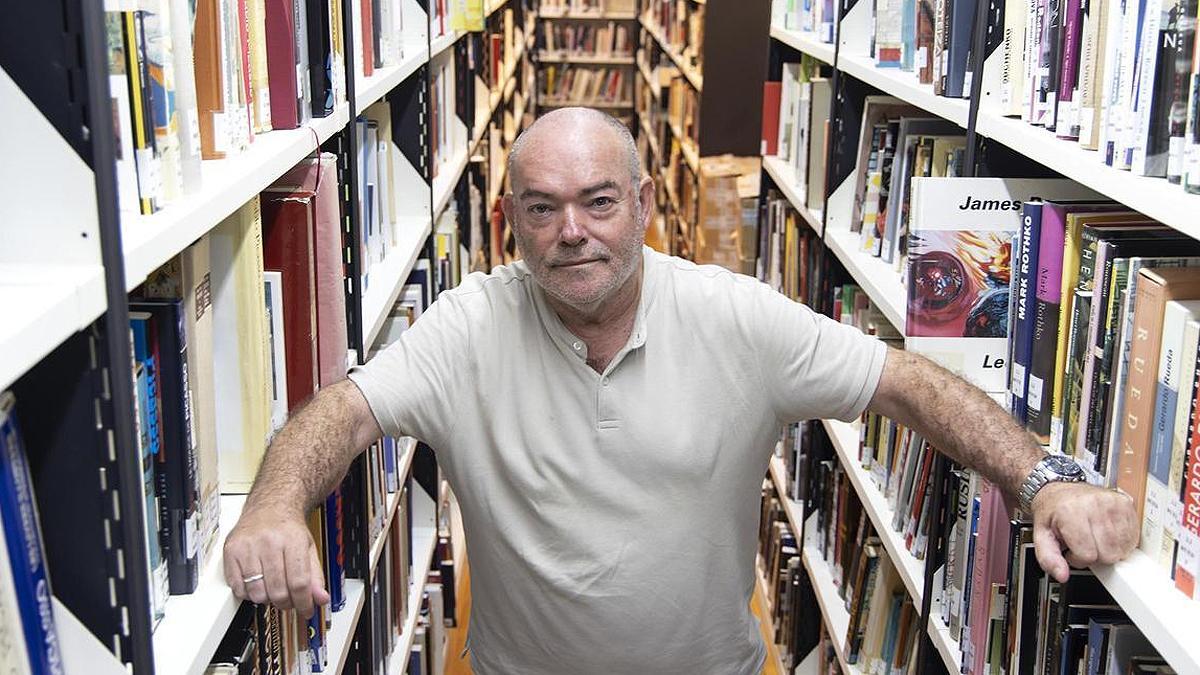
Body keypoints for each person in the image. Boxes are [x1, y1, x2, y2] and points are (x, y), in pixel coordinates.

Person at [223, 107, 1138, 674]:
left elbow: (902, 383)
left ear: (647, 203)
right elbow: (342, 411)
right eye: (541, 208)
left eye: (599, 200)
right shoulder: (468, 326)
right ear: (511, 221)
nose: (571, 231)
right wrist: (272, 503)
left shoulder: (735, 318)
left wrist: (1044, 477)